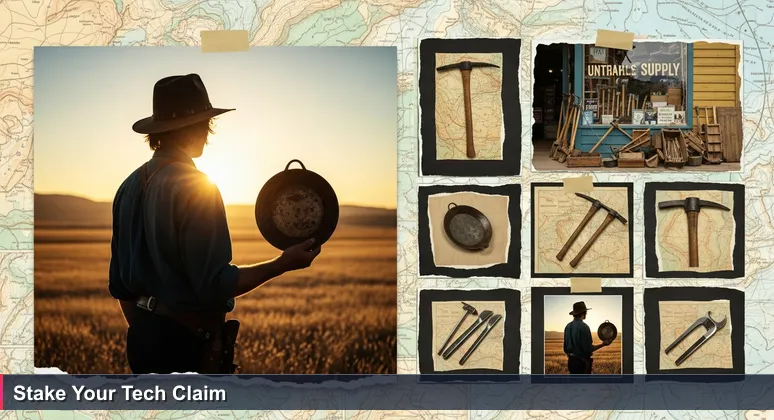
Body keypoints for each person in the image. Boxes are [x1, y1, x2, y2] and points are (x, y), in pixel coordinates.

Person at [108, 74, 322, 374]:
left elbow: (120, 286)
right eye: (206, 123)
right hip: (188, 349)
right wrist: (282, 264)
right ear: (197, 127)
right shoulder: (196, 187)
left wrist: (152, 328)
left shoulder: (126, 187)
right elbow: (215, 285)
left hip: (142, 342)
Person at [563, 301, 612, 374]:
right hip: (581, 364)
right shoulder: (584, 327)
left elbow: (565, 349)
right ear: (584, 313)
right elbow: (589, 349)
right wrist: (603, 344)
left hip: (571, 363)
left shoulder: (567, 326)